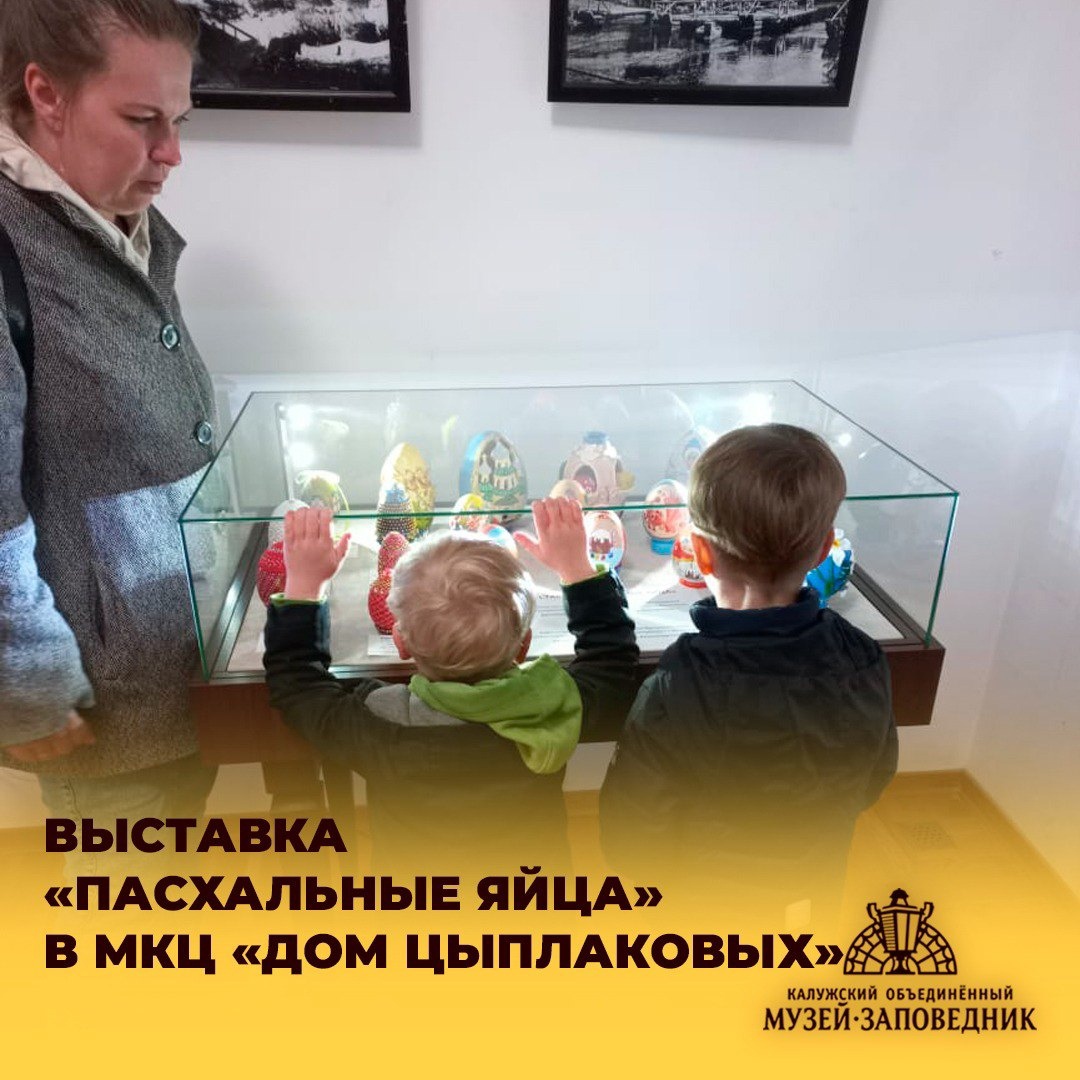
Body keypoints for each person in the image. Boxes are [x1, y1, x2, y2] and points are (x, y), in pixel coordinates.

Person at [0, 0, 217, 854]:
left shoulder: (116, 218)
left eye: (178, 121)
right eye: (141, 120)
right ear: (46, 93)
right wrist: (27, 678)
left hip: (168, 654)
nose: (172, 153)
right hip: (102, 689)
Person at [600, 424, 898, 925]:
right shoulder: (863, 658)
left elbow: (632, 831)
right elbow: (873, 777)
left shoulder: (679, 683)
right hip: (808, 900)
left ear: (699, 552)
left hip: (700, 918)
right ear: (824, 549)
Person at [263, 500, 640, 872]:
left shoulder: (379, 721)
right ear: (524, 645)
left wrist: (304, 586)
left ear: (400, 642)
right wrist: (577, 568)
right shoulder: (551, 708)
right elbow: (611, 663)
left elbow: (298, 685)